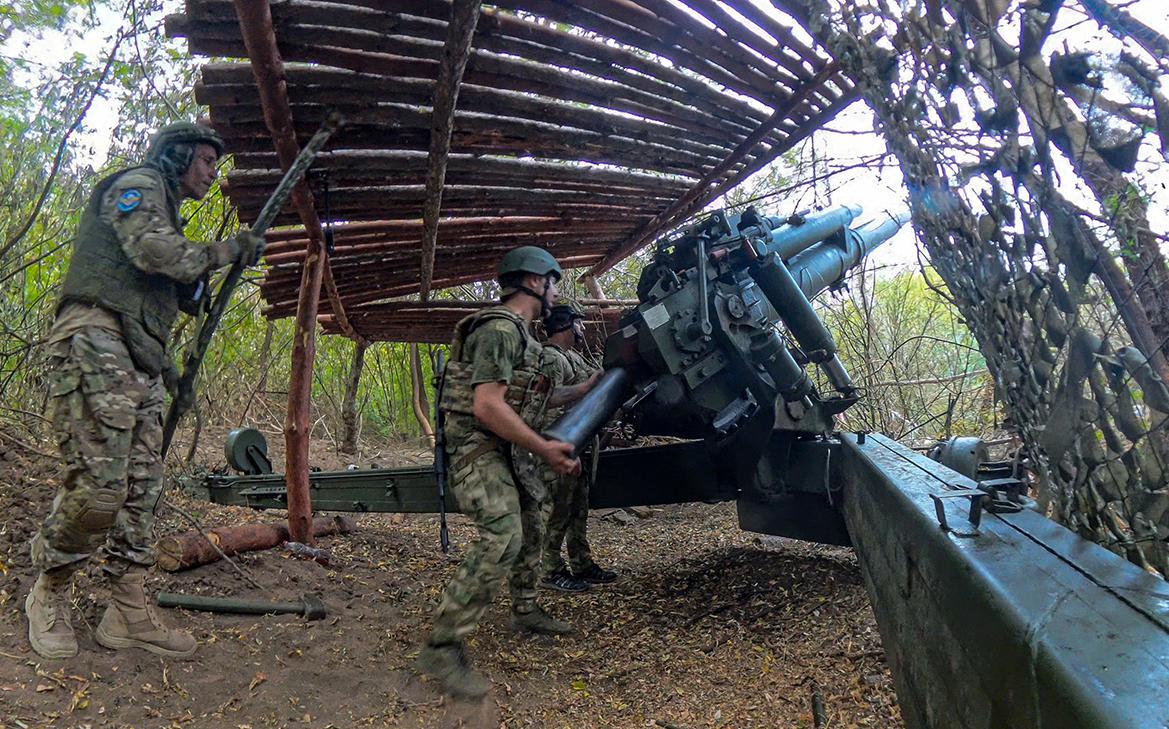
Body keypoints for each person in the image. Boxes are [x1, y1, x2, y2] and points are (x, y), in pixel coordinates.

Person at [25, 121, 266, 660]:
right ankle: (51, 588)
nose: (211, 172)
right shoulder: (137, 184)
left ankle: (126, 609)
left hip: (140, 359)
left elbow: (178, 287)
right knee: (100, 488)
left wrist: (171, 368)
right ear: (178, 156)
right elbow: (155, 253)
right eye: (205, 160)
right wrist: (228, 250)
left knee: (140, 488)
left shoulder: (169, 210)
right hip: (95, 341)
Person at [415, 245, 596, 699]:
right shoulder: (498, 329)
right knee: (503, 532)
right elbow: (487, 405)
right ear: (536, 282)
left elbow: (534, 398)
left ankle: (525, 608)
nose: (556, 290)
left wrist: (585, 388)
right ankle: (442, 645)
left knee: (533, 521)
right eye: (553, 281)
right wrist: (545, 449)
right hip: (477, 448)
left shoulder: (523, 338)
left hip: (505, 449)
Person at [539, 302, 618, 591]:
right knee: (559, 509)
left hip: (580, 444)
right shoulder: (549, 358)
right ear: (564, 325)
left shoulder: (572, 357)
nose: (582, 328)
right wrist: (584, 388)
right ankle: (549, 570)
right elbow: (546, 399)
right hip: (560, 446)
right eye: (578, 323)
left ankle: (581, 563)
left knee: (578, 509)